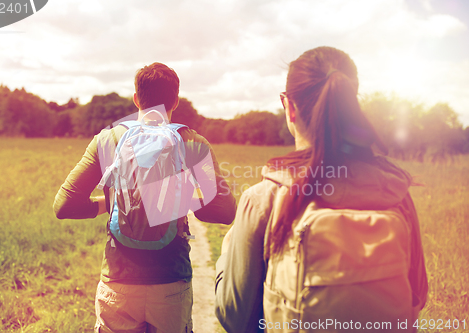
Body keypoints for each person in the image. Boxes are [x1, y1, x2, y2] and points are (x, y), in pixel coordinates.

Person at [214, 47, 428, 332]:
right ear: (353, 102)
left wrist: (227, 252)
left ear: (289, 107)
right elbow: (416, 299)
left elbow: (235, 317)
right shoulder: (395, 191)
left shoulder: (263, 198)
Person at [53, 62, 236, 333]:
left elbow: (64, 205)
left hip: (118, 283)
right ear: (176, 101)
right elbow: (225, 211)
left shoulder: (107, 140)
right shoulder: (193, 142)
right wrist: (181, 200)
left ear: (136, 98)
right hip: (171, 284)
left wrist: (112, 204)